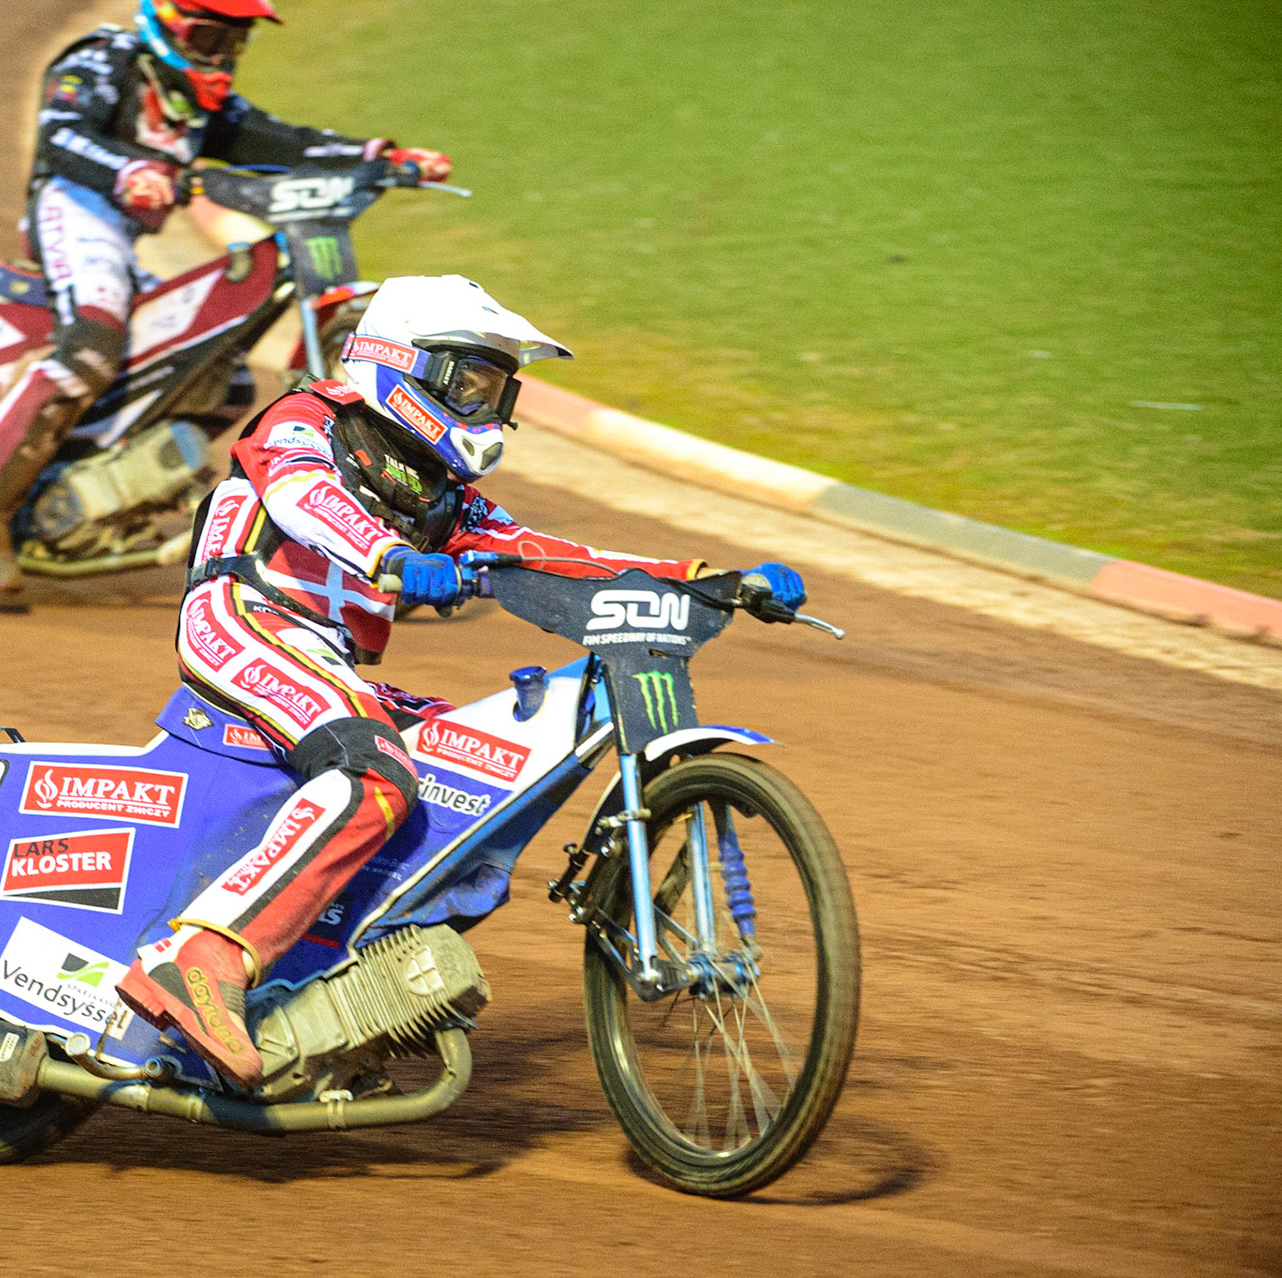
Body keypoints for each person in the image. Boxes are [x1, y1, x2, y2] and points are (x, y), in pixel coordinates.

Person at [114, 274, 808, 1085]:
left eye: (498, 387)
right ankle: (200, 958)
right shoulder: (307, 420)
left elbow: (552, 555)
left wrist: (701, 579)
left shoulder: (448, 496)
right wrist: (392, 557)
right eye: (470, 381)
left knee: (467, 771)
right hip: (242, 620)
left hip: (323, 658)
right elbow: (305, 499)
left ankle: (330, 987)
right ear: (401, 364)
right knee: (377, 777)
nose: (488, 404)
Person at [0, 0, 453, 589]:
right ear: (164, 21)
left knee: (219, 379)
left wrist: (379, 155)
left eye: (234, 43)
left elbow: (279, 141)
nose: (220, 57)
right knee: (90, 349)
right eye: (208, 37)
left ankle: (72, 487)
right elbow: (61, 136)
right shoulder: (103, 60)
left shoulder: (203, 102)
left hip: (124, 234)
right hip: (75, 208)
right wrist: (130, 171)